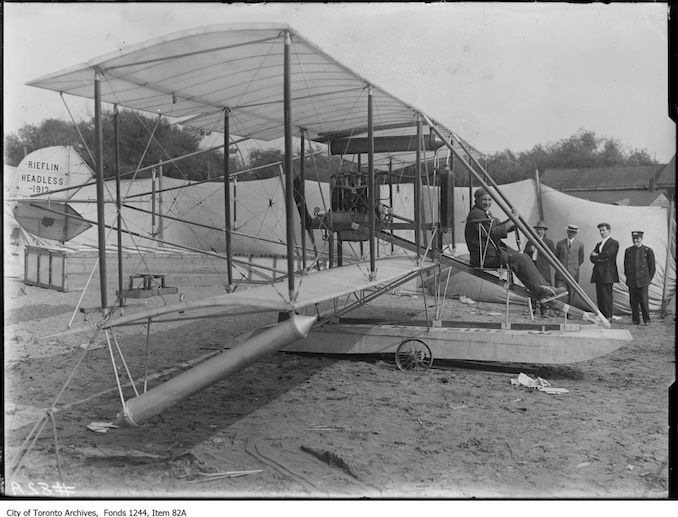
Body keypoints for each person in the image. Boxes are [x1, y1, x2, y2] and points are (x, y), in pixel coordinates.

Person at [464, 187, 566, 301]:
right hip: (485, 256)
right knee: (520, 259)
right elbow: (493, 232)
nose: (487, 203)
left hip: (493, 252)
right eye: (484, 199)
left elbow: (496, 228)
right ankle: (541, 290)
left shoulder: (484, 212)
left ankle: (545, 288)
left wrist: (511, 221)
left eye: (489, 200)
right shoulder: (476, 214)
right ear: (476, 199)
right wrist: (511, 221)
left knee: (524, 257)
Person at [524, 220, 556, 315]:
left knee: (544, 289)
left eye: (541, 230)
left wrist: (541, 250)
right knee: (532, 287)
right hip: (533, 268)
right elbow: (525, 255)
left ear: (544, 231)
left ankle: (544, 309)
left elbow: (552, 256)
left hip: (543, 269)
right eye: (538, 229)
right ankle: (533, 309)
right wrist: (530, 249)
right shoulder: (530, 241)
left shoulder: (549, 243)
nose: (539, 232)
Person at [623, 231, 656, 325]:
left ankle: (647, 320)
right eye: (634, 238)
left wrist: (647, 279)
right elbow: (626, 266)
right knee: (633, 302)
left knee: (644, 301)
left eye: (637, 238)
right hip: (632, 280)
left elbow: (652, 267)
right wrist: (629, 276)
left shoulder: (647, 250)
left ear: (641, 239)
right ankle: (635, 319)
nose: (635, 240)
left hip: (643, 281)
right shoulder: (628, 251)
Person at [590, 222, 619, 320]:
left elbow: (609, 254)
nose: (602, 232)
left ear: (609, 231)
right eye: (600, 231)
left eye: (603, 230)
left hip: (607, 273)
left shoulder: (614, 243)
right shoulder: (599, 244)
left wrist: (597, 256)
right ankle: (602, 315)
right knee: (600, 295)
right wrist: (600, 258)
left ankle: (608, 315)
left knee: (606, 295)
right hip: (598, 273)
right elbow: (591, 258)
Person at [555, 224, 585, 306]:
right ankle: (558, 309)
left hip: (573, 273)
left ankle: (570, 312)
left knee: (572, 293)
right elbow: (556, 257)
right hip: (561, 271)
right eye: (570, 232)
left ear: (576, 233)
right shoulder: (560, 243)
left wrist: (574, 267)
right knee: (559, 291)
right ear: (567, 231)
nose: (571, 234)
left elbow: (581, 259)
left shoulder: (580, 244)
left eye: (573, 232)